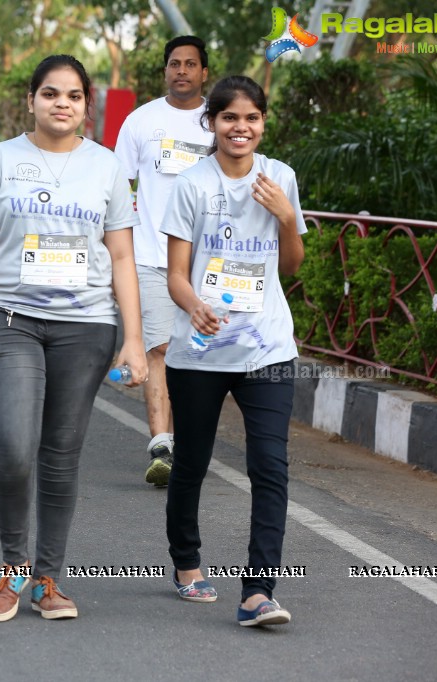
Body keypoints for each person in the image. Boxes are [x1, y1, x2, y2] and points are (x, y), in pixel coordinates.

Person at [0, 55, 147, 622]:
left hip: (87, 326)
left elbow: (123, 255)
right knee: (12, 444)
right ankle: (10, 567)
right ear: (30, 99)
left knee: (60, 454)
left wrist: (134, 338)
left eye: (74, 96)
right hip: (10, 319)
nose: (62, 104)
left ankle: (46, 579)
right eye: (51, 93)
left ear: (86, 105)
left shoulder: (106, 168)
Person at [161, 75, 306, 627]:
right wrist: (194, 303)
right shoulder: (192, 185)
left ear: (263, 122)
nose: (240, 128)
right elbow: (176, 274)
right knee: (192, 463)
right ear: (212, 123)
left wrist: (287, 217)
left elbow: (291, 266)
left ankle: (257, 592)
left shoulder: (282, 178)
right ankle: (187, 564)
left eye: (251, 118)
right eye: (229, 118)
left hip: (268, 347)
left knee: (270, 466)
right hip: (200, 350)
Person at [114, 35, 213, 488]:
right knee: (160, 350)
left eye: (191, 64)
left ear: (204, 73)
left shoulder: (220, 121)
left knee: (195, 355)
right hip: (151, 255)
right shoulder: (140, 122)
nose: (182, 71)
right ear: (165, 71)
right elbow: (118, 189)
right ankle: (161, 445)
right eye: (174, 64)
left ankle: (187, 440)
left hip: (208, 262)